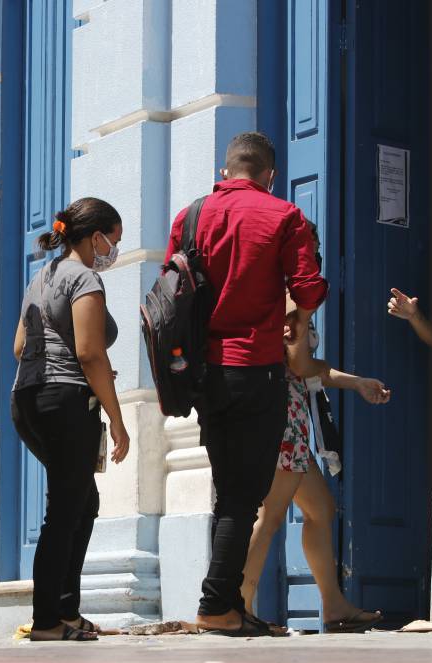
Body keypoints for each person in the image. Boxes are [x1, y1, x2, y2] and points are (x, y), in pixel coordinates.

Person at [165, 132, 327, 637]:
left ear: (226, 168)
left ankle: (230, 603)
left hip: (204, 374)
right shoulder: (285, 217)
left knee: (226, 492)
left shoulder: (190, 217)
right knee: (242, 496)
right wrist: (297, 310)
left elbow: (171, 289)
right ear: (270, 175)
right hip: (257, 370)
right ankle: (216, 605)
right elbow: (308, 289)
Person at [12, 198, 130, 642]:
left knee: (82, 503)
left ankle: (66, 611)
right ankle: (47, 621)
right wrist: (117, 420)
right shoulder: (85, 277)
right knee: (64, 511)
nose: (113, 250)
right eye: (113, 241)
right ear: (95, 236)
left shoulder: (41, 276)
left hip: (27, 399)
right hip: (64, 401)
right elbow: (89, 352)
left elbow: (21, 347)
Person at [240, 290, 389, 633]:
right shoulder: (292, 302)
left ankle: (333, 603)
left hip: (285, 423)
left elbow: (306, 371)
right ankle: (240, 602)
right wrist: (356, 383)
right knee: (272, 514)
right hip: (282, 423)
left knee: (320, 508)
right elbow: (302, 365)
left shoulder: (285, 297)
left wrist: (356, 383)